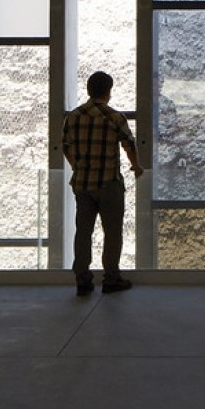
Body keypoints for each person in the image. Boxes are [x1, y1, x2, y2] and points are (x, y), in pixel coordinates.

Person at [59, 71, 142, 296]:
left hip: (83, 184)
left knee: (83, 232)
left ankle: (83, 279)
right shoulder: (114, 117)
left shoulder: (73, 117)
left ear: (88, 90)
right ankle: (111, 278)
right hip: (109, 183)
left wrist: (77, 165)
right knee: (112, 232)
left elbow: (65, 146)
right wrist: (136, 166)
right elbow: (129, 144)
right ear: (108, 92)